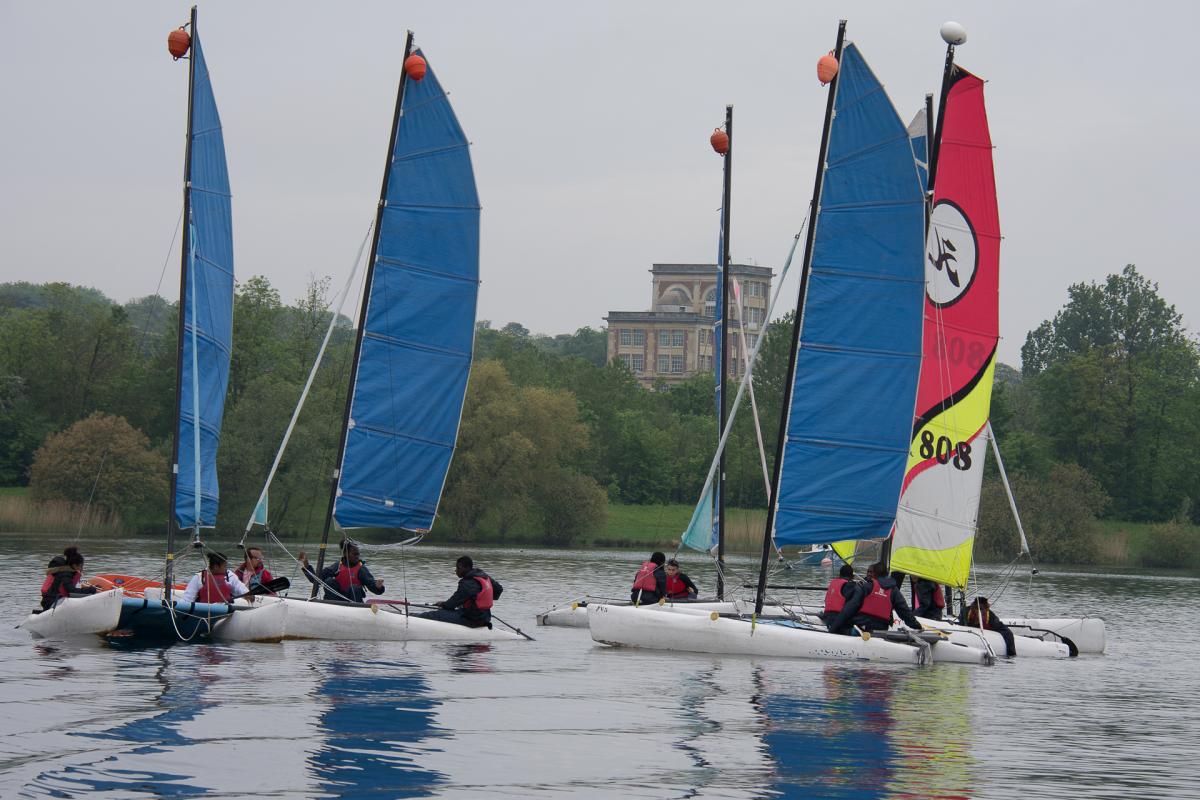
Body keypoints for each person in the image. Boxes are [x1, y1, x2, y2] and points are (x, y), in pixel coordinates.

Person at [826, 561, 922, 635]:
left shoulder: (866, 587)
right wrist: (918, 627)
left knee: (843, 627)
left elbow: (849, 609)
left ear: (874, 574)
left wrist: (832, 629)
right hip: (881, 630)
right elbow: (905, 612)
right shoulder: (894, 590)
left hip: (862, 627)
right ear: (887, 574)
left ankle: (851, 632)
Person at [419, 555, 503, 628]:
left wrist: (442, 604)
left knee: (435, 614)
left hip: (471, 619)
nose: (456, 570)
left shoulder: (467, 582)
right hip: (486, 617)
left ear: (467, 568)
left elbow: (451, 604)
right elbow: (499, 589)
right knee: (450, 611)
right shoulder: (482, 575)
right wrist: (481, 598)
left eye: (458, 568)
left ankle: (413, 618)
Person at [298, 541, 384, 603]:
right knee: (329, 581)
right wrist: (306, 564)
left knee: (354, 588)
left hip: (354, 602)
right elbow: (316, 580)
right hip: (336, 601)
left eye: (358, 554)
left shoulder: (361, 569)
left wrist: (378, 586)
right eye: (354, 554)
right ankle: (330, 605)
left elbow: (372, 586)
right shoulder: (337, 566)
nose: (357, 557)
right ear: (346, 554)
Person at [179, 552, 251, 605]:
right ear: (216, 567)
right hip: (203, 611)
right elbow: (187, 598)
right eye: (225, 566)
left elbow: (241, 588)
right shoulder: (199, 577)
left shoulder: (230, 576)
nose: (226, 568)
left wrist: (248, 595)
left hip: (226, 610)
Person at [39, 546, 98, 611]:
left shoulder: (68, 572)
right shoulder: (65, 574)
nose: (82, 568)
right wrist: (90, 590)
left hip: (55, 600)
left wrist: (89, 589)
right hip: (51, 603)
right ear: (74, 565)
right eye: (81, 565)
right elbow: (72, 591)